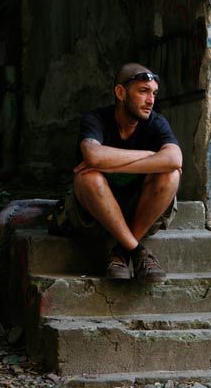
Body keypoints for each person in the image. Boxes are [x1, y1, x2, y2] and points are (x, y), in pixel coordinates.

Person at [60, 62, 182, 283]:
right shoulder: (96, 119)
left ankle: (121, 252)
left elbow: (174, 160)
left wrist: (109, 163)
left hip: (141, 211)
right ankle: (135, 251)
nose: (151, 100)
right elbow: (93, 156)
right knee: (87, 177)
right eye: (143, 91)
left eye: (154, 93)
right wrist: (151, 156)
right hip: (95, 214)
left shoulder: (156, 122)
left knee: (171, 174)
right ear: (120, 92)